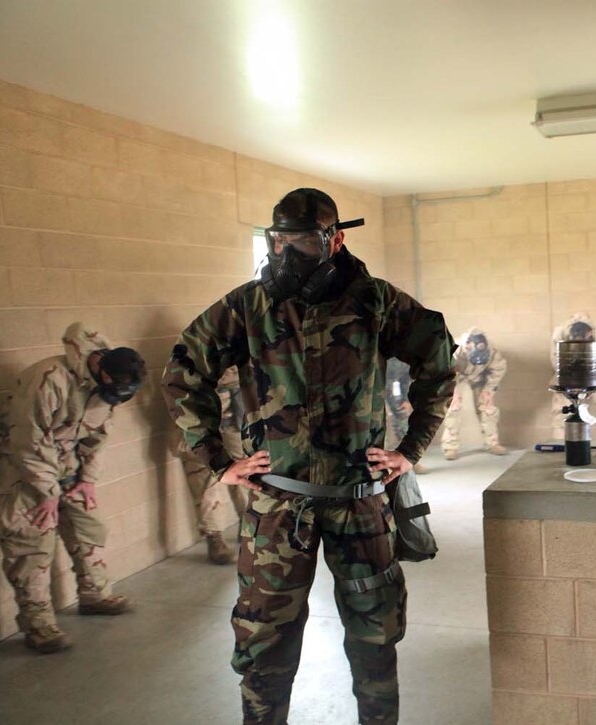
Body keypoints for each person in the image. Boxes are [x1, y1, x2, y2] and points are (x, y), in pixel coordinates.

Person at [161, 188, 455, 725]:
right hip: (278, 506)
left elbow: (437, 358)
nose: (288, 253)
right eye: (280, 240)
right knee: (263, 645)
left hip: (359, 502)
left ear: (335, 239)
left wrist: (410, 450)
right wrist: (219, 461)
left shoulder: (375, 301)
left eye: (304, 241)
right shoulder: (248, 305)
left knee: (375, 638)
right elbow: (184, 372)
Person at [0, 322, 145, 654]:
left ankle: (94, 594)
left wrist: (87, 479)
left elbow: (97, 436)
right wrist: (47, 492)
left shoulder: (109, 384)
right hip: (24, 473)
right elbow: (27, 440)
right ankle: (38, 624)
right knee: (32, 545)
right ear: (102, 372)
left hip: (67, 469)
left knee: (89, 527)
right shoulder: (49, 379)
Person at [174, 366, 249, 563]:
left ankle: (249, 523)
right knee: (203, 471)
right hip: (200, 405)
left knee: (242, 467)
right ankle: (214, 537)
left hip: (234, 401)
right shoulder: (191, 352)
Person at [550, 313, 596, 441]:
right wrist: (570, 381)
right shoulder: (560, 334)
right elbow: (556, 360)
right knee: (562, 407)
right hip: (569, 368)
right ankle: (560, 441)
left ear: (590, 334)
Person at [441, 327, 508, 460]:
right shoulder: (454, 350)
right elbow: (443, 372)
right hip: (457, 377)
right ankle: (450, 446)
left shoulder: (492, 352)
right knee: (453, 407)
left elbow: (498, 370)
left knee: (488, 407)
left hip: (480, 377)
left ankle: (492, 443)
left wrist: (489, 390)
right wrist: (452, 390)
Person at [384, 358, 428, 473]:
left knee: (403, 422)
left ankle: (410, 460)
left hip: (393, 390)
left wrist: (405, 400)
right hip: (378, 390)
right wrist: (394, 406)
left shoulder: (407, 361)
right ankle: (385, 465)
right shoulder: (394, 362)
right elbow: (389, 383)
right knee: (382, 428)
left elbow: (404, 381)